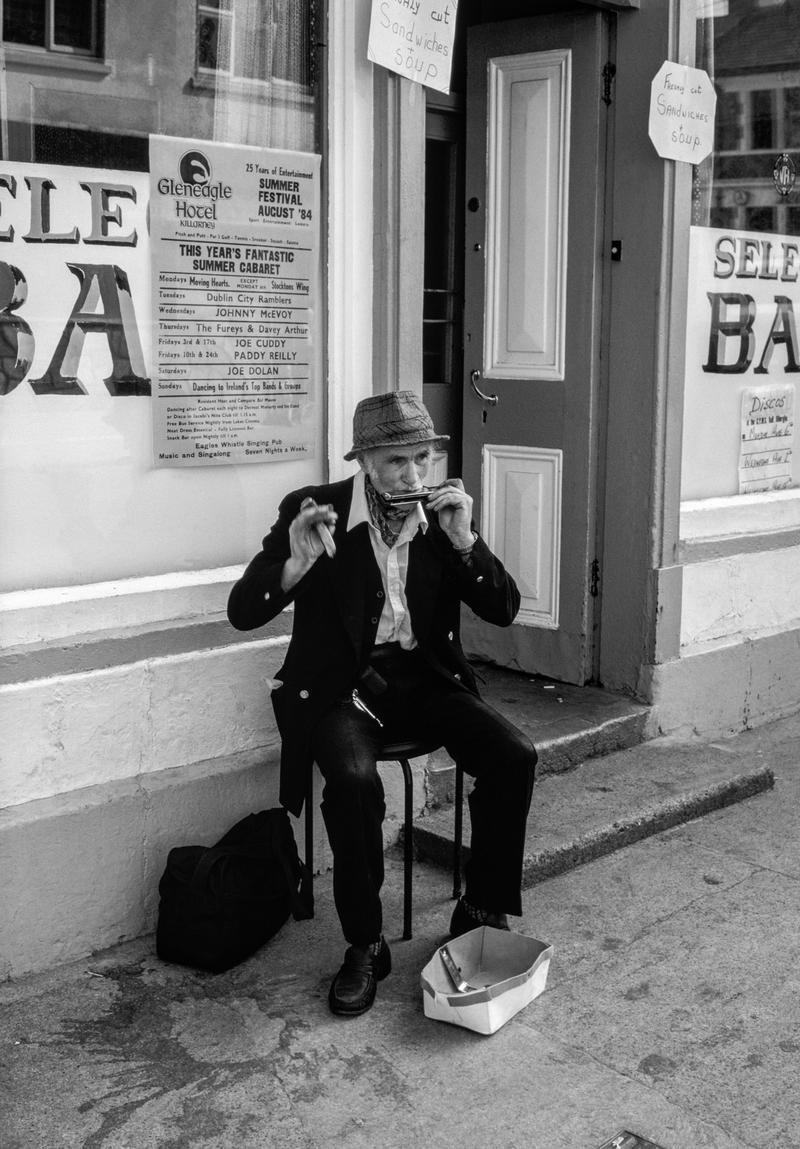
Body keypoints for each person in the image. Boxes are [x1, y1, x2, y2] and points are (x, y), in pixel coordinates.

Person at [227, 391, 537, 1016]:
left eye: (422, 458)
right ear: (365, 459)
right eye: (397, 461)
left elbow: (504, 609)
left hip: (424, 681)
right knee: (351, 780)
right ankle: (365, 943)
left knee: (514, 754)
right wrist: (294, 564)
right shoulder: (316, 511)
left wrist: (465, 541)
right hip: (342, 689)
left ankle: (479, 903)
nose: (413, 475)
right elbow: (243, 612)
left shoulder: (441, 517)